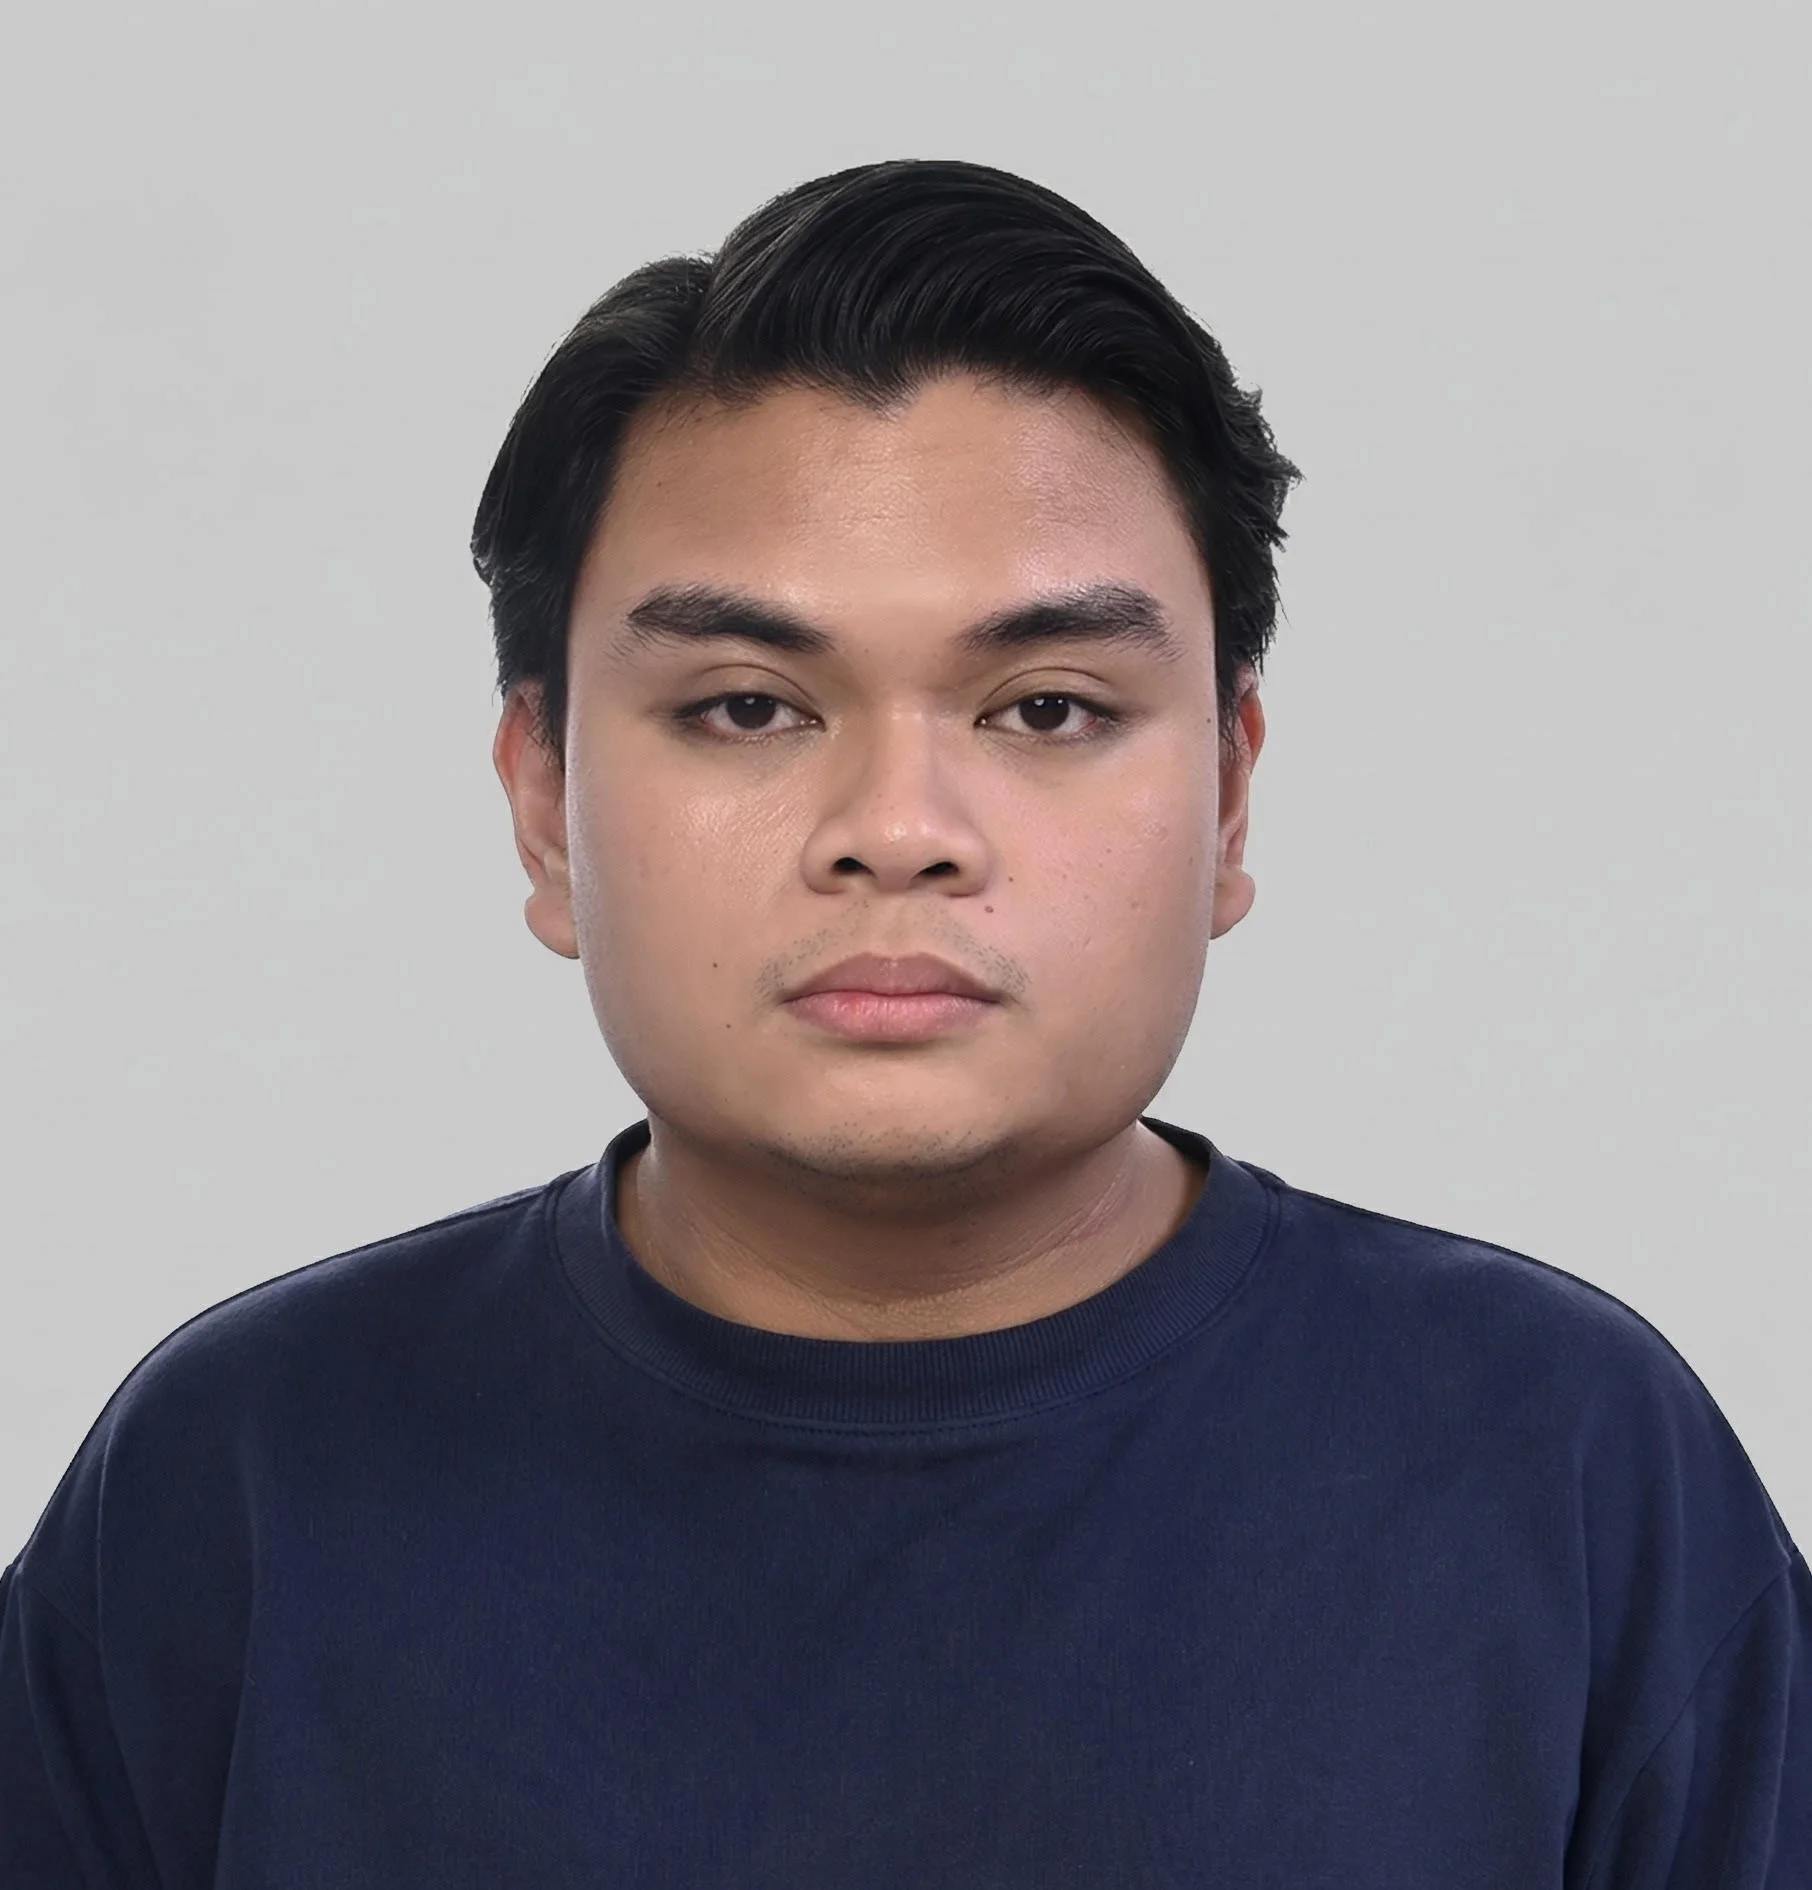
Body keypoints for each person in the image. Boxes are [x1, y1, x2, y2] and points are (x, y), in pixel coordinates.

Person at [2, 158, 1804, 1887]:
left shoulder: (1568, 1470)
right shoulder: (238, 1484)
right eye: (744, 708)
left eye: (1043, 707)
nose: (900, 824)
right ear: (544, 799)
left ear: (1232, 799)